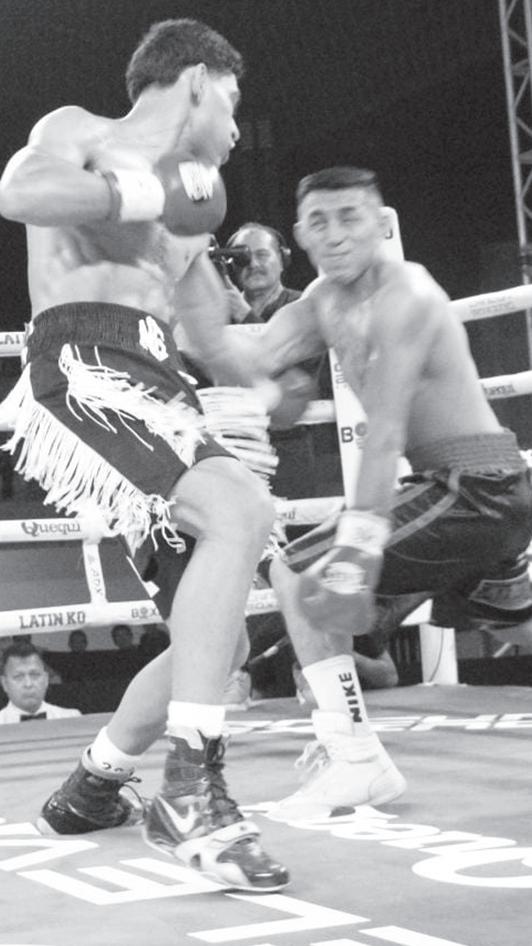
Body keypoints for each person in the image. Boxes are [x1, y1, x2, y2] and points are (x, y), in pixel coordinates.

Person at [0, 18, 288, 890]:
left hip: (163, 389)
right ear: (197, 80)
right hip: (85, 365)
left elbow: (217, 342)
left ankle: (94, 786)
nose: (236, 128)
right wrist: (139, 193)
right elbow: (20, 189)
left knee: (219, 642)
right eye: (232, 101)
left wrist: (288, 361)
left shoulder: (201, 202)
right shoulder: (84, 131)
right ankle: (191, 792)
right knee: (237, 510)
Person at [252, 165, 532, 820]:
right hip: (470, 489)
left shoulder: (407, 295)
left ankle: (356, 759)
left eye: (350, 217)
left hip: (474, 487)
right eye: (319, 221)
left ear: (380, 224)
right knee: (513, 621)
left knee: (297, 571)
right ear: (300, 235)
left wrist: (355, 552)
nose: (335, 234)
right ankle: (349, 752)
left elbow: (381, 434)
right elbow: (255, 359)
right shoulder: (321, 301)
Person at [224, 223, 301, 324]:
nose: (253, 264)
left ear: (282, 260)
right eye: (242, 257)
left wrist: (244, 314)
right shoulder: (220, 312)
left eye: (261, 255)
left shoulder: (302, 304)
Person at [0, 641, 81, 723]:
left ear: (46, 680)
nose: (28, 684)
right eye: (18, 677)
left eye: (34, 675)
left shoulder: (72, 717)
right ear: (4, 684)